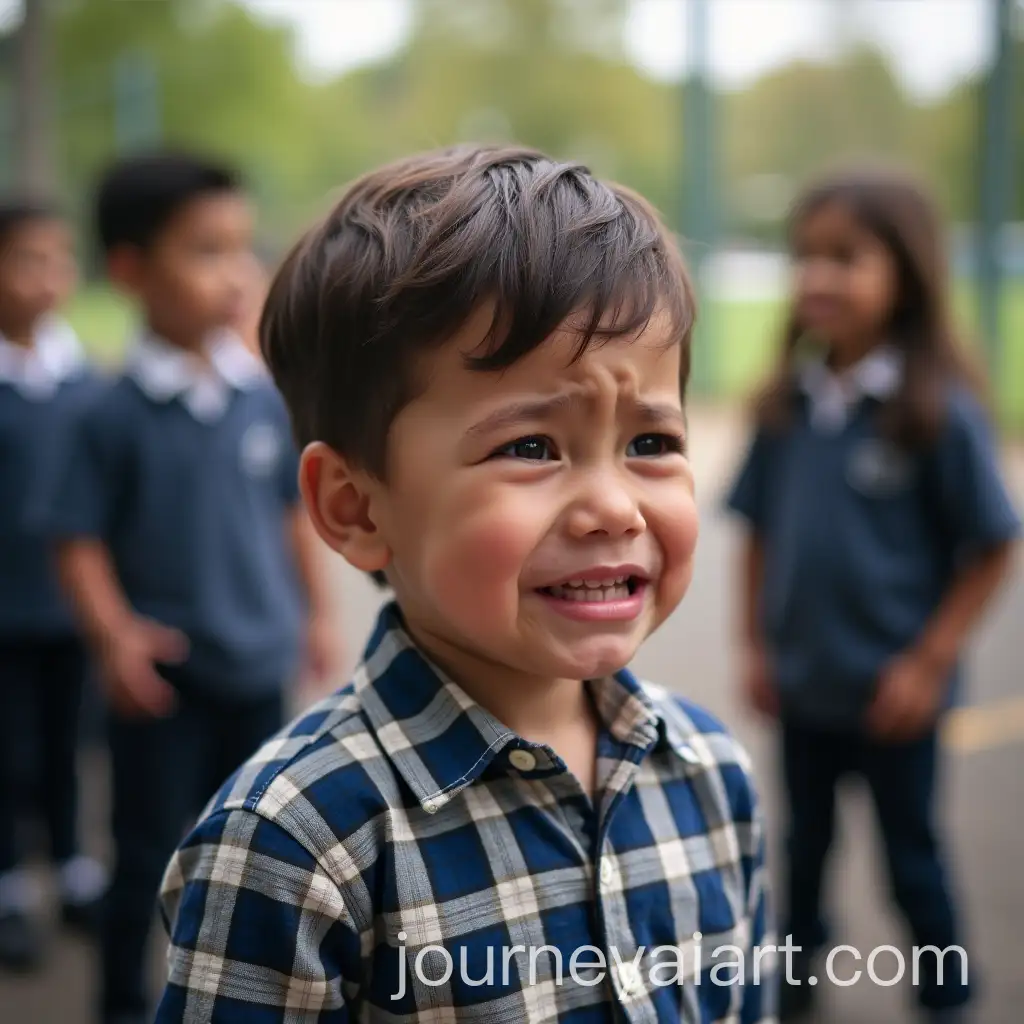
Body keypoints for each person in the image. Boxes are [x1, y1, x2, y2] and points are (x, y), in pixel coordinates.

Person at [154, 144, 777, 1023]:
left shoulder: (712, 772)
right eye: (530, 447)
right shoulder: (293, 844)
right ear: (355, 507)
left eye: (651, 443)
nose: (612, 508)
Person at [40, 152, 341, 1024]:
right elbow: (77, 539)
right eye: (205, 251)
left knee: (258, 854)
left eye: (241, 249)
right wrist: (114, 636)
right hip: (166, 678)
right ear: (130, 269)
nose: (235, 274)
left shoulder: (262, 399)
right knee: (145, 856)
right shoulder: (109, 412)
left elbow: (293, 513)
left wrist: (313, 614)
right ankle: (123, 1002)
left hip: (258, 665)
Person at [724, 165, 1020, 1023]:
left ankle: (947, 997)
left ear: (906, 273)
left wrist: (927, 666)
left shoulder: (935, 412)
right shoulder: (785, 404)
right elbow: (757, 532)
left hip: (896, 700)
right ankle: (792, 992)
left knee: (910, 856)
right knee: (800, 851)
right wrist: (753, 646)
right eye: (805, 256)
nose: (817, 276)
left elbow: (995, 545)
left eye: (845, 256)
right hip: (804, 689)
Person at [0, 199, 107, 970]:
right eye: (27, 259)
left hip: (68, 606)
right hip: (4, 606)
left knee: (69, 744)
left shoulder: (85, 385)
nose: (48, 278)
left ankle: (73, 869)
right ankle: (9, 885)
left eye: (58, 259)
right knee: (11, 751)